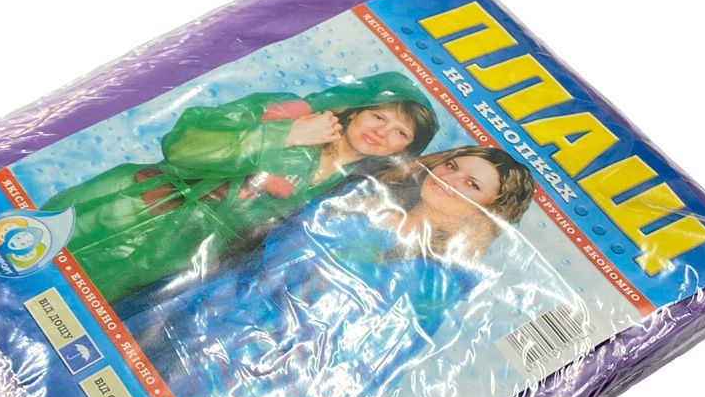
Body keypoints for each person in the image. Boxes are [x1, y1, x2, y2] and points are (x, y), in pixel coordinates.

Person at [124, 146, 537, 397]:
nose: (451, 179)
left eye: (472, 184)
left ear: (489, 211)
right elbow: (276, 251)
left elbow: (363, 364)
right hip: (199, 319)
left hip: (251, 382)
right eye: (453, 166)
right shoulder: (366, 200)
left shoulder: (438, 281)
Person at [40, 73, 438, 301]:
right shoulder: (290, 113)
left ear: (404, 150)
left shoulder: (353, 193)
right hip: (127, 214)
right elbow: (184, 145)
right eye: (378, 116)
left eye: (400, 132)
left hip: (174, 268)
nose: (382, 131)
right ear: (354, 110)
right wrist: (285, 134)